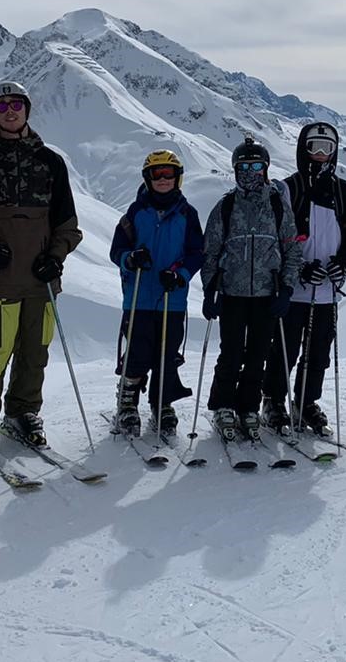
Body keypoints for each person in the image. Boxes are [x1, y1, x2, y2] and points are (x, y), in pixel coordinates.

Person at [0, 80, 82, 451]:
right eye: (2, 106)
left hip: (38, 279)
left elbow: (67, 223)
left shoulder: (49, 161)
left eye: (17, 104)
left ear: (27, 109)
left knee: (34, 352)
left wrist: (55, 257)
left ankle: (23, 411)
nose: (10, 111)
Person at [261, 121, 346, 434]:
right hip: (294, 289)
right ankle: (274, 400)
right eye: (314, 147)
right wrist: (299, 268)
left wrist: (342, 264)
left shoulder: (343, 191)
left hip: (327, 290)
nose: (320, 154)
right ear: (302, 150)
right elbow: (274, 237)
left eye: (327, 148)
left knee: (318, 350)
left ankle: (306, 401)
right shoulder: (288, 188)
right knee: (285, 348)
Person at [201, 136, 300, 441]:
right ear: (234, 169)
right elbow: (212, 251)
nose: (250, 171)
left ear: (266, 168)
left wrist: (286, 288)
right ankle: (223, 406)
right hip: (232, 292)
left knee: (258, 354)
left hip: (266, 295)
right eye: (244, 166)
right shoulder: (227, 206)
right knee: (230, 353)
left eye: (257, 165)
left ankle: (248, 407)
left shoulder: (278, 205)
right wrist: (210, 289)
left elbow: (291, 250)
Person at [108, 150, 205, 437]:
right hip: (139, 295)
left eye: (168, 174)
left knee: (167, 353)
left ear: (178, 178)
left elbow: (196, 253)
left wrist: (181, 275)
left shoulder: (188, 214)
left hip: (171, 298)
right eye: (157, 174)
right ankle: (127, 402)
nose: (163, 180)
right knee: (137, 351)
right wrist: (131, 258)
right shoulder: (136, 212)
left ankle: (162, 403)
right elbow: (117, 250)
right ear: (148, 178)